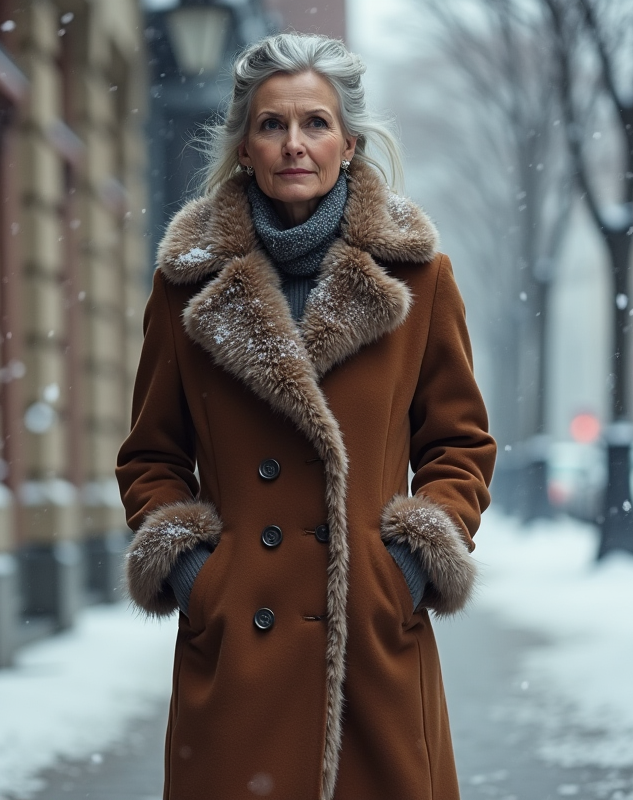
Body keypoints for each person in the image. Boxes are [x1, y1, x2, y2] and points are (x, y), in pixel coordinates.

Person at [116, 32, 495, 800]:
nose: (295, 143)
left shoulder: (417, 278)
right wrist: (200, 579)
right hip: (238, 661)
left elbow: (459, 446)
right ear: (245, 145)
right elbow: (152, 457)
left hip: (373, 646)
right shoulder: (186, 286)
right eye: (272, 124)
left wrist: (408, 570)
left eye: (315, 123)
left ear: (350, 144)